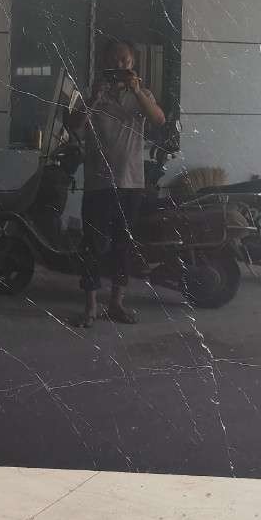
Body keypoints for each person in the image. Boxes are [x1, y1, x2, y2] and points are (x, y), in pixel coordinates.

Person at [67, 39, 164, 327]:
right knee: (93, 246)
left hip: (131, 183)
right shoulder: (93, 94)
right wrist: (94, 98)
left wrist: (137, 91)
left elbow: (158, 119)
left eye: (125, 61)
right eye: (114, 60)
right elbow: (73, 126)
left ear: (133, 64)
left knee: (123, 245)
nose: (119, 65)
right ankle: (90, 307)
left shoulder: (142, 95)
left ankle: (116, 304)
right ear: (104, 64)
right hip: (98, 183)